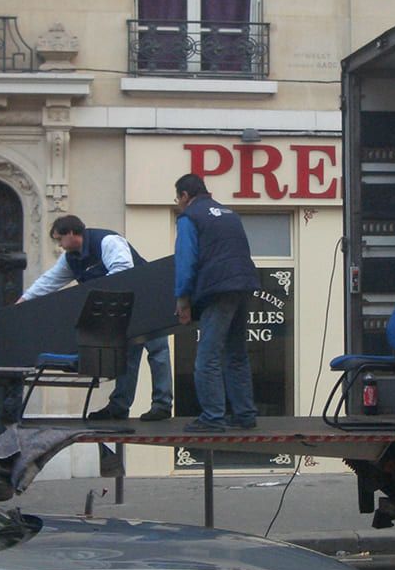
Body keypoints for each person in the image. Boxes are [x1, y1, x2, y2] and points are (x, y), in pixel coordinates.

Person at [18, 214, 173, 422]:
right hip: (123, 304)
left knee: (157, 350)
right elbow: (49, 281)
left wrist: (90, 294)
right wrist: (25, 299)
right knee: (127, 356)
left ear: (72, 234)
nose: (59, 245)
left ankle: (162, 405)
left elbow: (122, 271)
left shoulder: (108, 242)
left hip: (147, 298)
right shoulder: (70, 259)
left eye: (59, 239)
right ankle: (119, 407)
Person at [174, 174, 259, 432]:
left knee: (207, 356)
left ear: (186, 196)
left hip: (219, 288)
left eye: (178, 198)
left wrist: (183, 298)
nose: (178, 204)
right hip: (243, 284)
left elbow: (186, 260)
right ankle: (244, 414)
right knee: (236, 353)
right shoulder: (229, 214)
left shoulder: (190, 217)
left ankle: (212, 417)